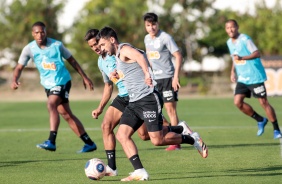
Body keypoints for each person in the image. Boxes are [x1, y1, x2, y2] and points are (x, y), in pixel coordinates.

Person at [97, 26, 208, 181]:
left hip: (148, 99)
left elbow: (141, 57)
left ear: (112, 40)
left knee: (157, 140)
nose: (100, 48)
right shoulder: (118, 55)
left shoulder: (124, 49)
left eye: (102, 44)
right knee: (122, 135)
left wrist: (147, 74)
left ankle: (192, 139)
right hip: (134, 102)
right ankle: (140, 171)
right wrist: (116, 73)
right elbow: (136, 59)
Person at [10, 21, 97, 153]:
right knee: (66, 114)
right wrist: (14, 79)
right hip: (48, 85)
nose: (40, 35)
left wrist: (85, 77)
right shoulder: (29, 49)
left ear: (46, 32)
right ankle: (89, 143)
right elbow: (19, 67)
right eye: (37, 32)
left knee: (51, 104)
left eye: (42, 31)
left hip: (62, 81)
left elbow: (72, 60)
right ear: (33, 34)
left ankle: (51, 141)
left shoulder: (57, 45)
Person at [225, 19, 282, 139]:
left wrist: (243, 57)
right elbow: (234, 58)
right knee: (237, 102)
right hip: (242, 78)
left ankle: (276, 129)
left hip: (255, 76)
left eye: (232, 27)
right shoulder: (229, 42)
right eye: (228, 28)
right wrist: (232, 72)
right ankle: (260, 120)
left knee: (263, 102)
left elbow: (257, 53)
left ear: (237, 27)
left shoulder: (245, 39)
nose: (230, 29)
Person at [143, 12, 184, 150]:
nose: (151, 28)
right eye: (148, 25)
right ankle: (178, 130)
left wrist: (176, 77)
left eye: (153, 24)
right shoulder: (147, 39)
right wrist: (147, 74)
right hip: (155, 80)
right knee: (156, 110)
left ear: (157, 24)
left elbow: (178, 56)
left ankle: (176, 143)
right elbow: (148, 58)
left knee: (170, 110)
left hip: (168, 78)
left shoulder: (166, 38)